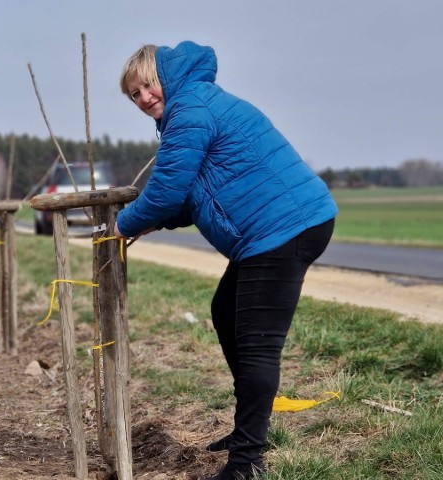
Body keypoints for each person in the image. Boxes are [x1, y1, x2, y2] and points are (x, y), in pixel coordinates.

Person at [114, 41, 338, 479]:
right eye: (133, 95)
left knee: (256, 345)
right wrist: (153, 222)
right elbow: (195, 195)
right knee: (225, 312)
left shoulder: (190, 108)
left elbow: (165, 190)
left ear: (164, 77)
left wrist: (124, 224)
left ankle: (247, 462)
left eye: (147, 86)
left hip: (283, 228)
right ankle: (249, 432)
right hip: (280, 227)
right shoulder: (192, 105)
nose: (143, 99)